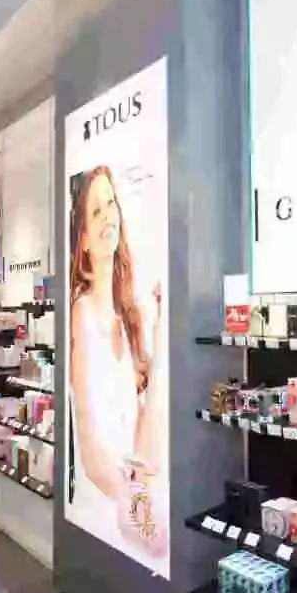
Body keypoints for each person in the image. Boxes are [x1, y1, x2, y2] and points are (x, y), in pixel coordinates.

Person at [69, 165, 166, 556]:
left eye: (110, 203)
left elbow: (140, 420)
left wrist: (142, 487)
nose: (108, 215)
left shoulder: (126, 315)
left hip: (128, 500)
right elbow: (91, 452)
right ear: (83, 238)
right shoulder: (81, 315)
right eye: (96, 211)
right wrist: (137, 510)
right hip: (100, 508)